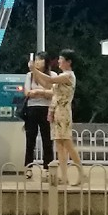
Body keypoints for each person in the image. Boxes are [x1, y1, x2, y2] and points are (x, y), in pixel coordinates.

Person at [33, 48, 82, 184]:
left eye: (61, 59)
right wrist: (34, 72)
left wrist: (35, 70)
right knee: (59, 145)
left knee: (67, 143)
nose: (59, 61)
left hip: (64, 111)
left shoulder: (68, 75)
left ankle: (81, 172)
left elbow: (49, 79)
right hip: (57, 111)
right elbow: (47, 85)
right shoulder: (62, 76)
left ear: (68, 62)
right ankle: (64, 176)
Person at [23, 53, 55, 177]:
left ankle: (48, 168)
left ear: (46, 61)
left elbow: (53, 93)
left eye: (40, 59)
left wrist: (38, 92)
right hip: (32, 109)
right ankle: (28, 167)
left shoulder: (52, 75)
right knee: (30, 139)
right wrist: (43, 93)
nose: (37, 62)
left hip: (47, 109)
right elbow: (27, 92)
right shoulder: (29, 75)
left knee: (47, 139)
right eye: (36, 59)